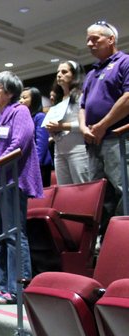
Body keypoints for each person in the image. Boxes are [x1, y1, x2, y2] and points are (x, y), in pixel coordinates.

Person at [0, 71, 43, 305]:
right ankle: (4, 286)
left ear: (9, 91)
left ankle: (18, 288)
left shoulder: (20, 111)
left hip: (12, 181)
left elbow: (19, 144)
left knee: (14, 234)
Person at [79, 21, 129, 234]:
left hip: (116, 138)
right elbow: (82, 105)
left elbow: (128, 97)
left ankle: (122, 235)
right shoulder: (91, 73)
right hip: (93, 141)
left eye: (95, 39)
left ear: (111, 39)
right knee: (99, 195)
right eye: (88, 39)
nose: (90, 43)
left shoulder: (124, 62)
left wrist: (102, 125)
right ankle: (105, 239)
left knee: (122, 189)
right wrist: (83, 128)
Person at [45, 60, 89, 185]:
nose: (59, 75)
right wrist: (52, 130)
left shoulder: (81, 96)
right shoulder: (58, 100)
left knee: (83, 188)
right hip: (59, 151)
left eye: (64, 72)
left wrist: (61, 126)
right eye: (58, 72)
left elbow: (84, 124)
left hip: (78, 150)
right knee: (65, 192)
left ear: (74, 75)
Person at [19, 87, 54, 187]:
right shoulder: (24, 119)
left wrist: (35, 166)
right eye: (20, 97)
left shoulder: (39, 116)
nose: (21, 100)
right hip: (26, 165)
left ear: (34, 100)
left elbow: (41, 144)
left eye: (25, 97)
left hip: (39, 166)